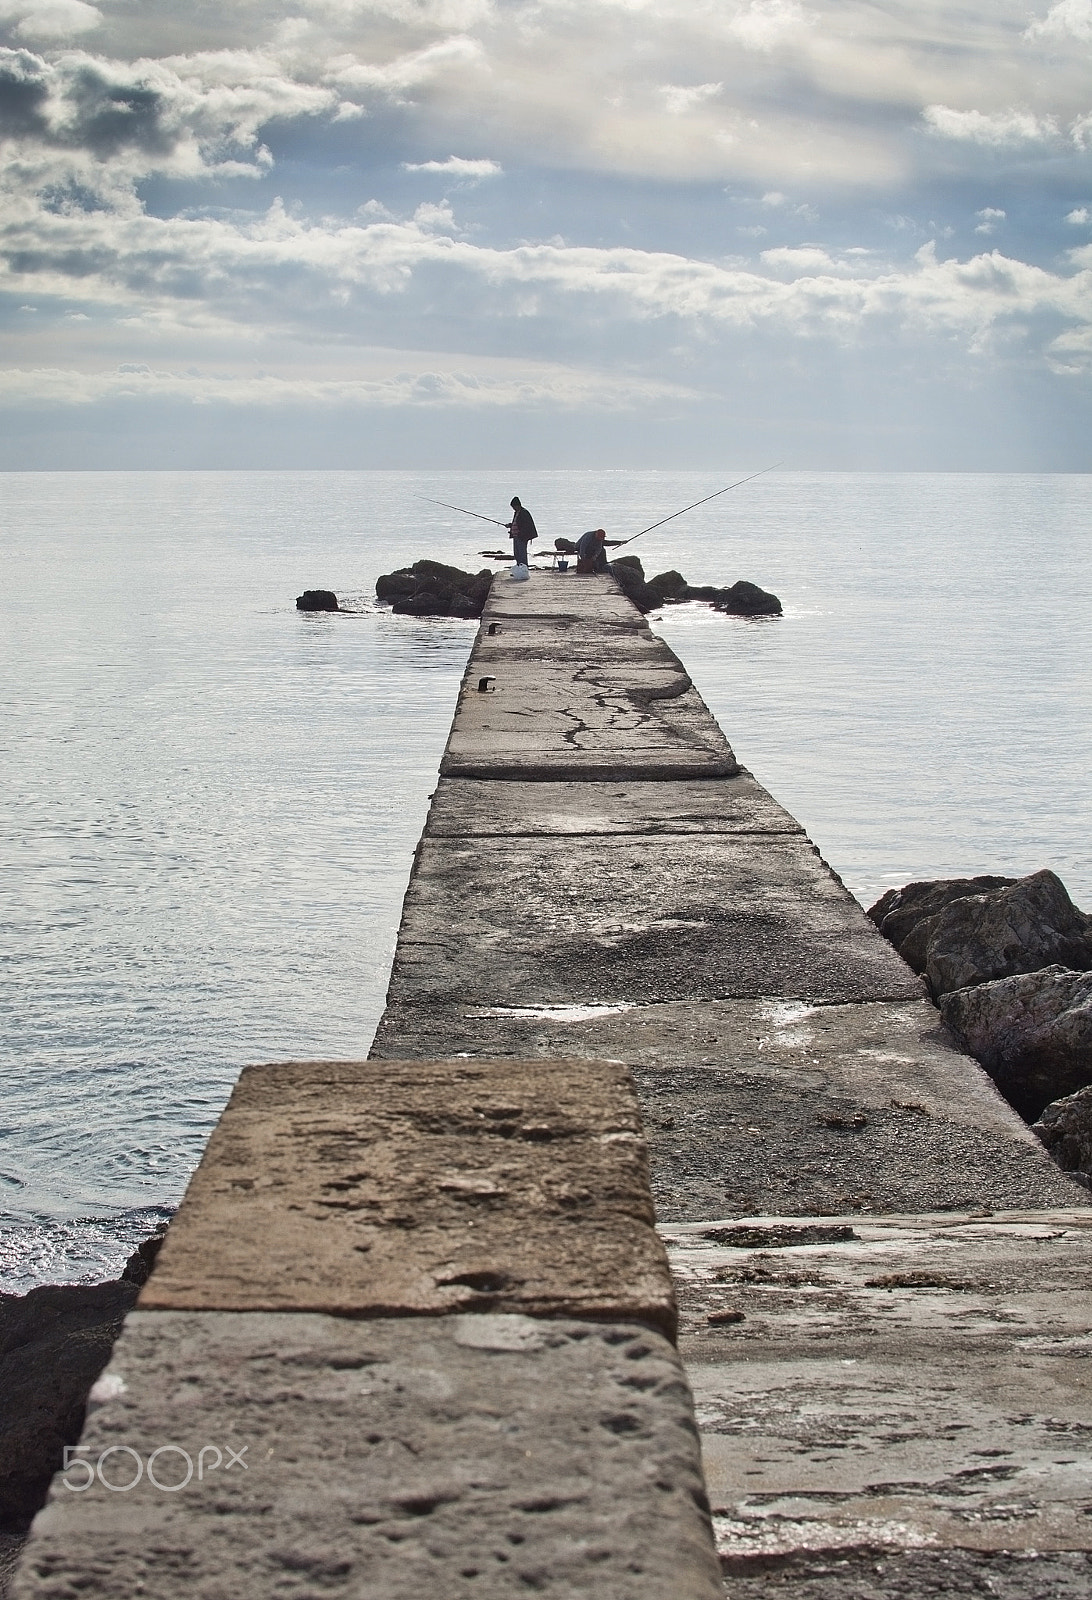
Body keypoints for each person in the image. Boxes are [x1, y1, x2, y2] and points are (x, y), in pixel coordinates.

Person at [506, 497, 538, 566]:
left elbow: (527, 525)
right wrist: (510, 525)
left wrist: (520, 534)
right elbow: (517, 523)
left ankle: (523, 568)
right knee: (517, 554)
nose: (513, 508)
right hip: (516, 536)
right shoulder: (517, 513)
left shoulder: (524, 512)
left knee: (522, 553)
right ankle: (519, 568)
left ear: (518, 505)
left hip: (521, 537)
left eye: (514, 506)